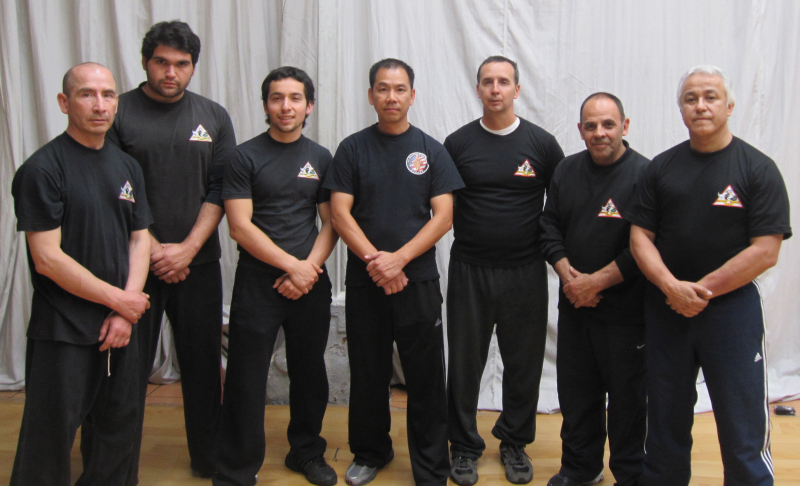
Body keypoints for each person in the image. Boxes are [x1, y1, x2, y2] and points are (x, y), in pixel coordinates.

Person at [628, 66, 791, 486]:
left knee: (741, 419)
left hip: (731, 312)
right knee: (665, 416)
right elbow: (639, 237)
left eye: (710, 97)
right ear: (681, 108)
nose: (700, 106)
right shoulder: (660, 168)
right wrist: (671, 287)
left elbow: (766, 250)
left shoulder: (758, 168)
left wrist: (701, 291)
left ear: (729, 106)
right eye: (691, 98)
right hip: (667, 309)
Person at [105, 20, 237, 480]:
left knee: (202, 368)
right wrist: (157, 251)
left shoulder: (213, 116)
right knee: (125, 372)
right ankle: (115, 468)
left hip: (197, 263)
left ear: (193, 67)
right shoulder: (118, 112)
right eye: (161, 62)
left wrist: (186, 249)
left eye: (181, 64)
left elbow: (221, 189)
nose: (170, 72)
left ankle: (209, 460)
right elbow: (112, 190)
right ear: (146, 62)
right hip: (133, 266)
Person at [9, 62, 152, 485]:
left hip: (120, 324)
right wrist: (120, 301)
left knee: (119, 429)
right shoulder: (42, 169)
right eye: (87, 94)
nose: (99, 105)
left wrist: (125, 311)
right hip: (64, 326)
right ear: (64, 102)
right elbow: (47, 259)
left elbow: (140, 240)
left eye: (108, 95)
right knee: (49, 436)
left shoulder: (128, 167)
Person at [324, 58, 464, 486]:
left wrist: (399, 260)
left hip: (417, 281)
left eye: (400, 89)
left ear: (412, 96)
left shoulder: (431, 149)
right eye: (382, 88)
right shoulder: (352, 149)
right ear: (371, 95)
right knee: (368, 371)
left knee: (425, 375)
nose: (391, 96)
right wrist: (378, 263)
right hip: (366, 281)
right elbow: (339, 213)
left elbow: (444, 217)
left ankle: (431, 466)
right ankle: (371, 452)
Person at [213, 66, 338, 486]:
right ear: (266, 104)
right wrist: (292, 267)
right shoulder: (243, 157)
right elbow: (239, 226)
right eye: (277, 98)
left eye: (295, 98)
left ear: (309, 106)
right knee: (246, 376)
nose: (286, 106)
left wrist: (308, 270)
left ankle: (306, 452)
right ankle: (236, 469)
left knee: (309, 371)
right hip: (258, 281)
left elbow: (331, 222)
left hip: (310, 282)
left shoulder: (320, 157)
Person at [443, 56, 564, 485]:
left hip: (525, 271)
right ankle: (463, 447)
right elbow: (439, 206)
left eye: (504, 81)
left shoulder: (542, 144)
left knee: (524, 363)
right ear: (478, 88)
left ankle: (514, 441)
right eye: (488, 82)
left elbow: (562, 205)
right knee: (464, 364)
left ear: (517, 89)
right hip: (470, 269)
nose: (496, 89)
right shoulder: (457, 144)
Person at [539, 93, 648, 486]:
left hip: (627, 315)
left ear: (625, 126)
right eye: (591, 126)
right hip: (575, 308)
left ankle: (630, 474)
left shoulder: (645, 175)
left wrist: (596, 282)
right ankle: (581, 468)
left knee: (628, 401)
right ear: (581, 129)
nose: (599, 133)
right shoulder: (566, 170)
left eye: (608, 124)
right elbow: (548, 226)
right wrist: (567, 274)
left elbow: (645, 247)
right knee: (577, 395)